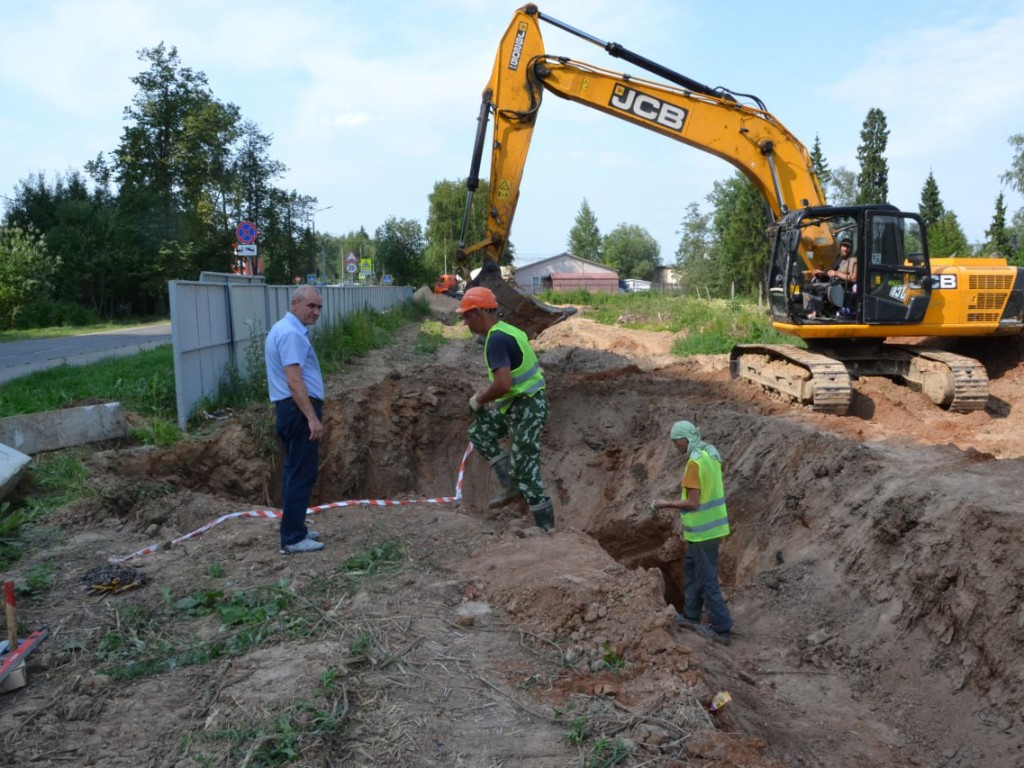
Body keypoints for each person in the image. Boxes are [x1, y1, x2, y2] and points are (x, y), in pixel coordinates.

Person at [457, 286, 555, 531]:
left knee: (525, 467)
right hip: (516, 406)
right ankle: (510, 486)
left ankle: (546, 529)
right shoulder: (507, 330)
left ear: (479, 313)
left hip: (527, 408)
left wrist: (479, 400)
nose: (465, 322)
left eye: (466, 316)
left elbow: (503, 383)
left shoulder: (496, 340)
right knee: (480, 432)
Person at [653, 420, 733, 646]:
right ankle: (691, 615)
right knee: (691, 568)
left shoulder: (694, 464)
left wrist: (666, 503)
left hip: (703, 532)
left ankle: (722, 628)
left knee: (707, 579)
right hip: (710, 529)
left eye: (676, 441)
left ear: (685, 439)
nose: (675, 445)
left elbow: (693, 502)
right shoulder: (709, 453)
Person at [265, 284, 326, 555]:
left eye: (319, 307)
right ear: (294, 305)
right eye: (310, 306)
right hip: (298, 411)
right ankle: (292, 538)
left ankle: (295, 529)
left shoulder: (283, 329)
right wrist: (312, 418)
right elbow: (293, 379)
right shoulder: (291, 334)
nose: (315, 312)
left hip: (290, 410)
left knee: (295, 472)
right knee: (302, 474)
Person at [804, 237, 858, 318]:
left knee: (820, 289)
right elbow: (831, 273)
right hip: (833, 283)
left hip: (842, 287)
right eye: (844, 246)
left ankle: (816, 313)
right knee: (808, 287)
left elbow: (853, 278)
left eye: (848, 247)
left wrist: (836, 273)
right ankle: (809, 311)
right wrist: (822, 273)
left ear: (851, 249)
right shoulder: (839, 259)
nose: (845, 249)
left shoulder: (853, 260)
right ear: (840, 247)